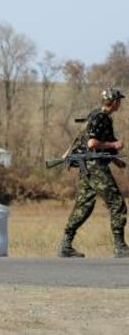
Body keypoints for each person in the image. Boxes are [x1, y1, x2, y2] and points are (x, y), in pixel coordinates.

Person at [58, 87, 129, 258]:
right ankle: (120, 246)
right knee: (117, 203)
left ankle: (65, 244)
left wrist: (115, 159)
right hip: (94, 167)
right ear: (114, 102)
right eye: (119, 100)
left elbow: (99, 145)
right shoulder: (100, 117)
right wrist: (114, 146)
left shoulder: (100, 116)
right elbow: (92, 144)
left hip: (87, 166)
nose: (120, 103)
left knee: (85, 205)